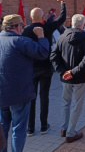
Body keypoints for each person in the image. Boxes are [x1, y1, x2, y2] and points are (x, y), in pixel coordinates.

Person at [0, 14, 49, 152]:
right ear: (17, 27)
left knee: (3, 128)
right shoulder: (21, 41)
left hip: (2, 94)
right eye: (22, 25)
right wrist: (41, 36)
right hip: (19, 94)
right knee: (19, 129)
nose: (23, 27)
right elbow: (43, 53)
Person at [22, 0, 66, 137]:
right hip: (46, 67)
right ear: (42, 18)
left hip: (31, 68)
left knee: (31, 98)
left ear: (30, 17)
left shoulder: (26, 30)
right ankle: (43, 126)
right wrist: (62, 3)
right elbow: (62, 18)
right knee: (44, 96)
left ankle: (29, 129)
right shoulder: (46, 27)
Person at [50, 14, 85, 143]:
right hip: (79, 77)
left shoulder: (62, 37)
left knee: (66, 103)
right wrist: (70, 72)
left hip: (67, 77)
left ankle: (64, 129)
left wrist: (64, 72)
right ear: (83, 25)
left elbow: (53, 56)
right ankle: (69, 132)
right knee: (76, 104)